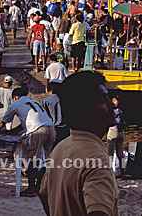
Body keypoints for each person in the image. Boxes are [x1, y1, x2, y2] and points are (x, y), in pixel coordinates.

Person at [39, 71, 119, 216]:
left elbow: (43, 192)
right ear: (82, 110)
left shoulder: (61, 148)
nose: (111, 105)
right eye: (103, 99)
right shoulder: (96, 159)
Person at [0, 84, 55, 197]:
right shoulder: (34, 102)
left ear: (15, 97)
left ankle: (31, 189)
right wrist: (13, 131)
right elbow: (26, 122)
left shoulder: (15, 103)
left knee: (31, 160)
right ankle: (40, 186)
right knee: (46, 161)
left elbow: (3, 122)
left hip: (37, 131)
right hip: (51, 129)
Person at [41, 82, 69, 148]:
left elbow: (43, 116)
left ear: (51, 90)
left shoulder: (46, 101)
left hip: (53, 128)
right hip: (65, 129)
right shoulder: (66, 99)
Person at [107, 95, 126, 180]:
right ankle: (122, 175)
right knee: (120, 154)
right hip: (121, 132)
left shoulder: (111, 110)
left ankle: (110, 174)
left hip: (113, 131)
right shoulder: (121, 111)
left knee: (109, 154)